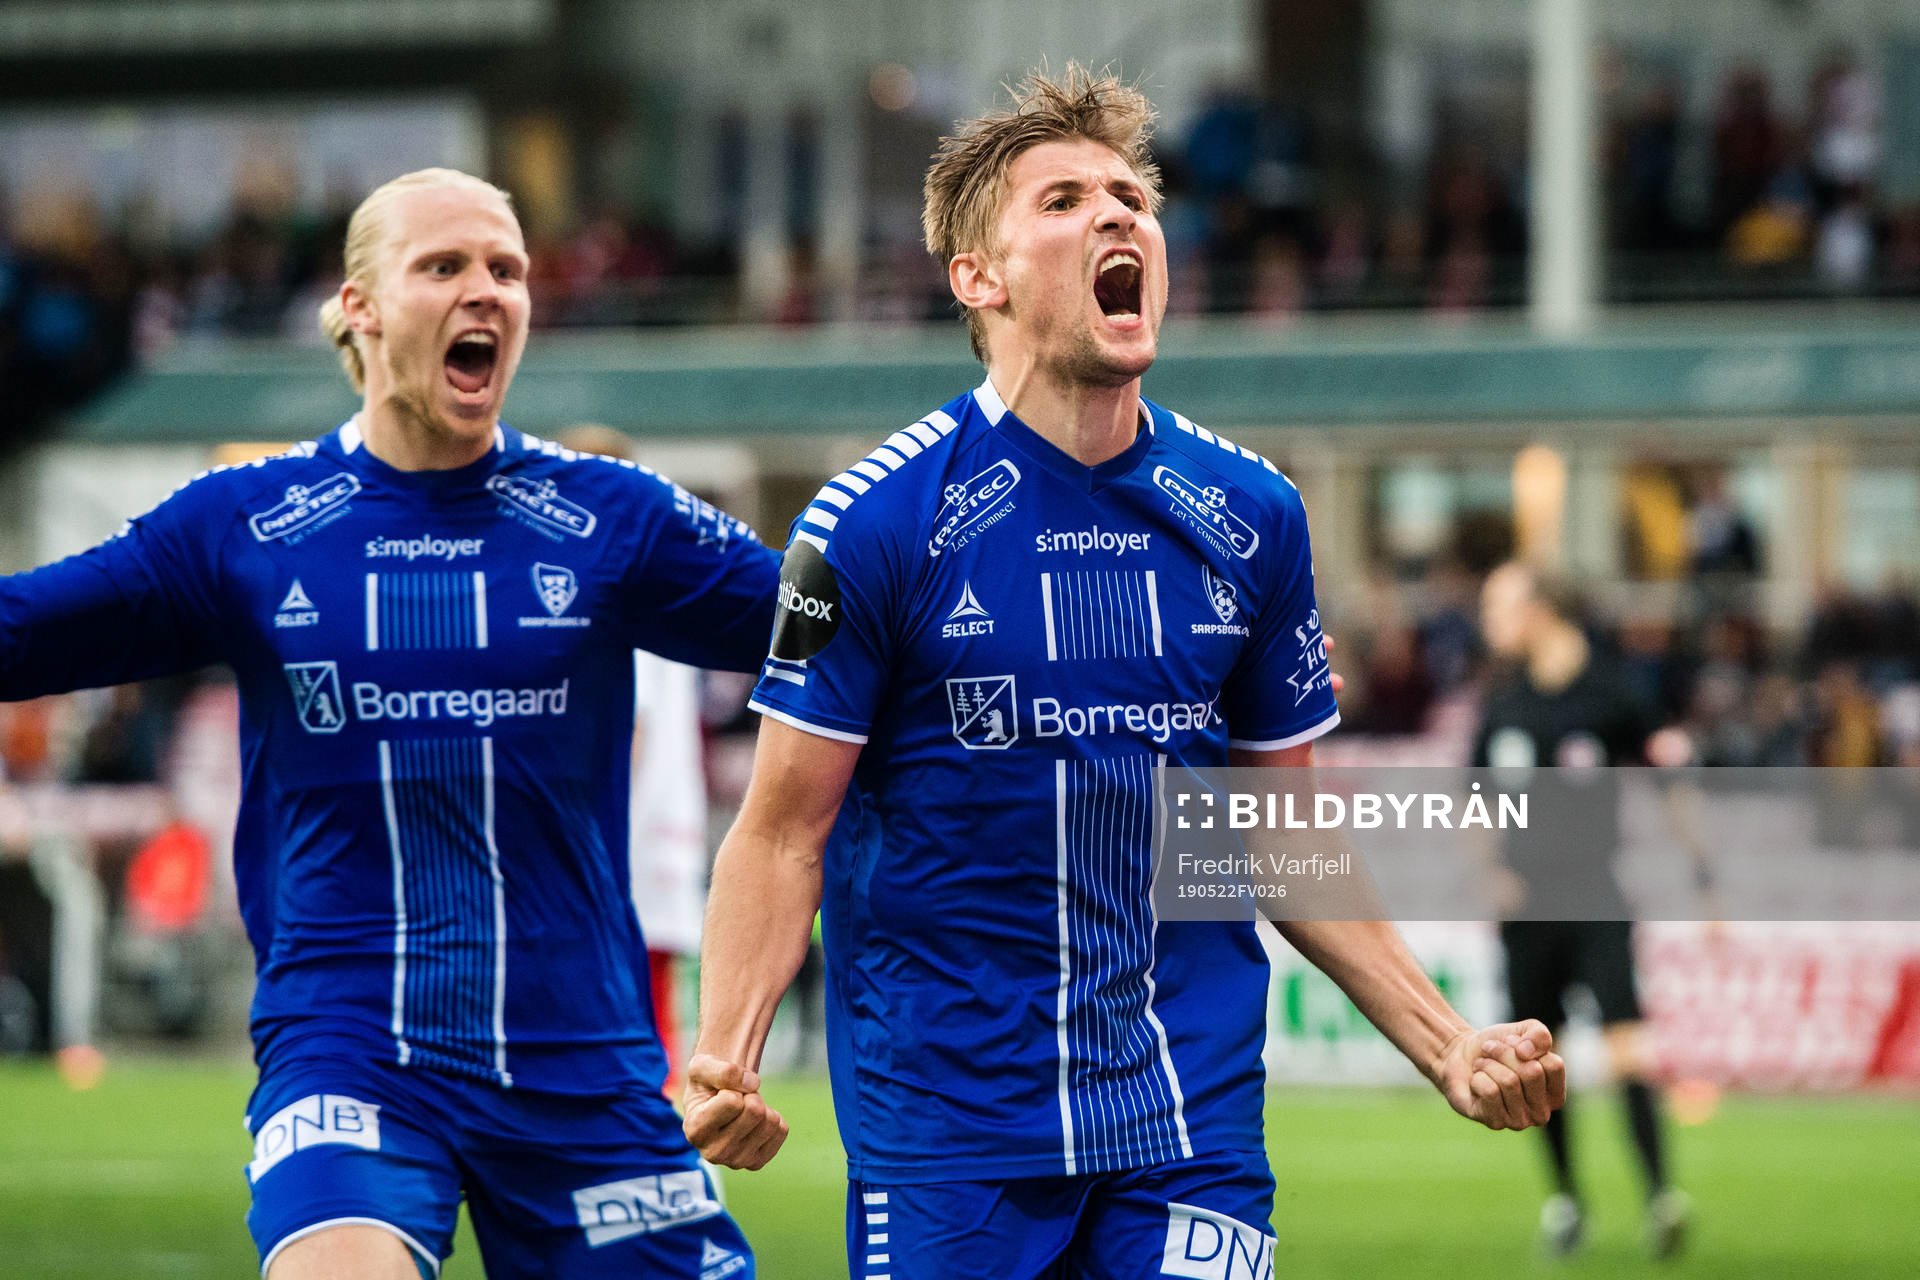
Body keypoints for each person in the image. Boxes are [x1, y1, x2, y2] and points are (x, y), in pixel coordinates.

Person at [683, 67, 1565, 1278]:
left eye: (1131, 197)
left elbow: (1277, 829)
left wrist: (1448, 1041)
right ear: (977, 279)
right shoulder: (872, 525)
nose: (1118, 216)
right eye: (1063, 200)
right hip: (947, 1133)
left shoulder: (1252, 512)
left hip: (1187, 1116)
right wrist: (722, 1056)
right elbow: (782, 831)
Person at [0, 169, 775, 1279]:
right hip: (349, 1046)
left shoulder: (614, 516)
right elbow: (24, 627)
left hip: (580, 1056)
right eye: (444, 266)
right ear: (360, 306)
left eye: (505, 269)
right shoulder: (248, 523)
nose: (486, 292)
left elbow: (834, 625)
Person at [1473, 560, 1690, 1259]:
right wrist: (1489, 875)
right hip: (1527, 908)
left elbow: (1671, 784)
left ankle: (1661, 1200)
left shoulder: (1612, 694)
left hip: (1598, 895)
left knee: (1628, 1048)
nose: (1489, 622)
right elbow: (1471, 804)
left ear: (1540, 610)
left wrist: (1707, 877)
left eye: (1499, 606)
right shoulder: (1501, 706)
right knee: (1541, 1060)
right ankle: (1567, 1202)